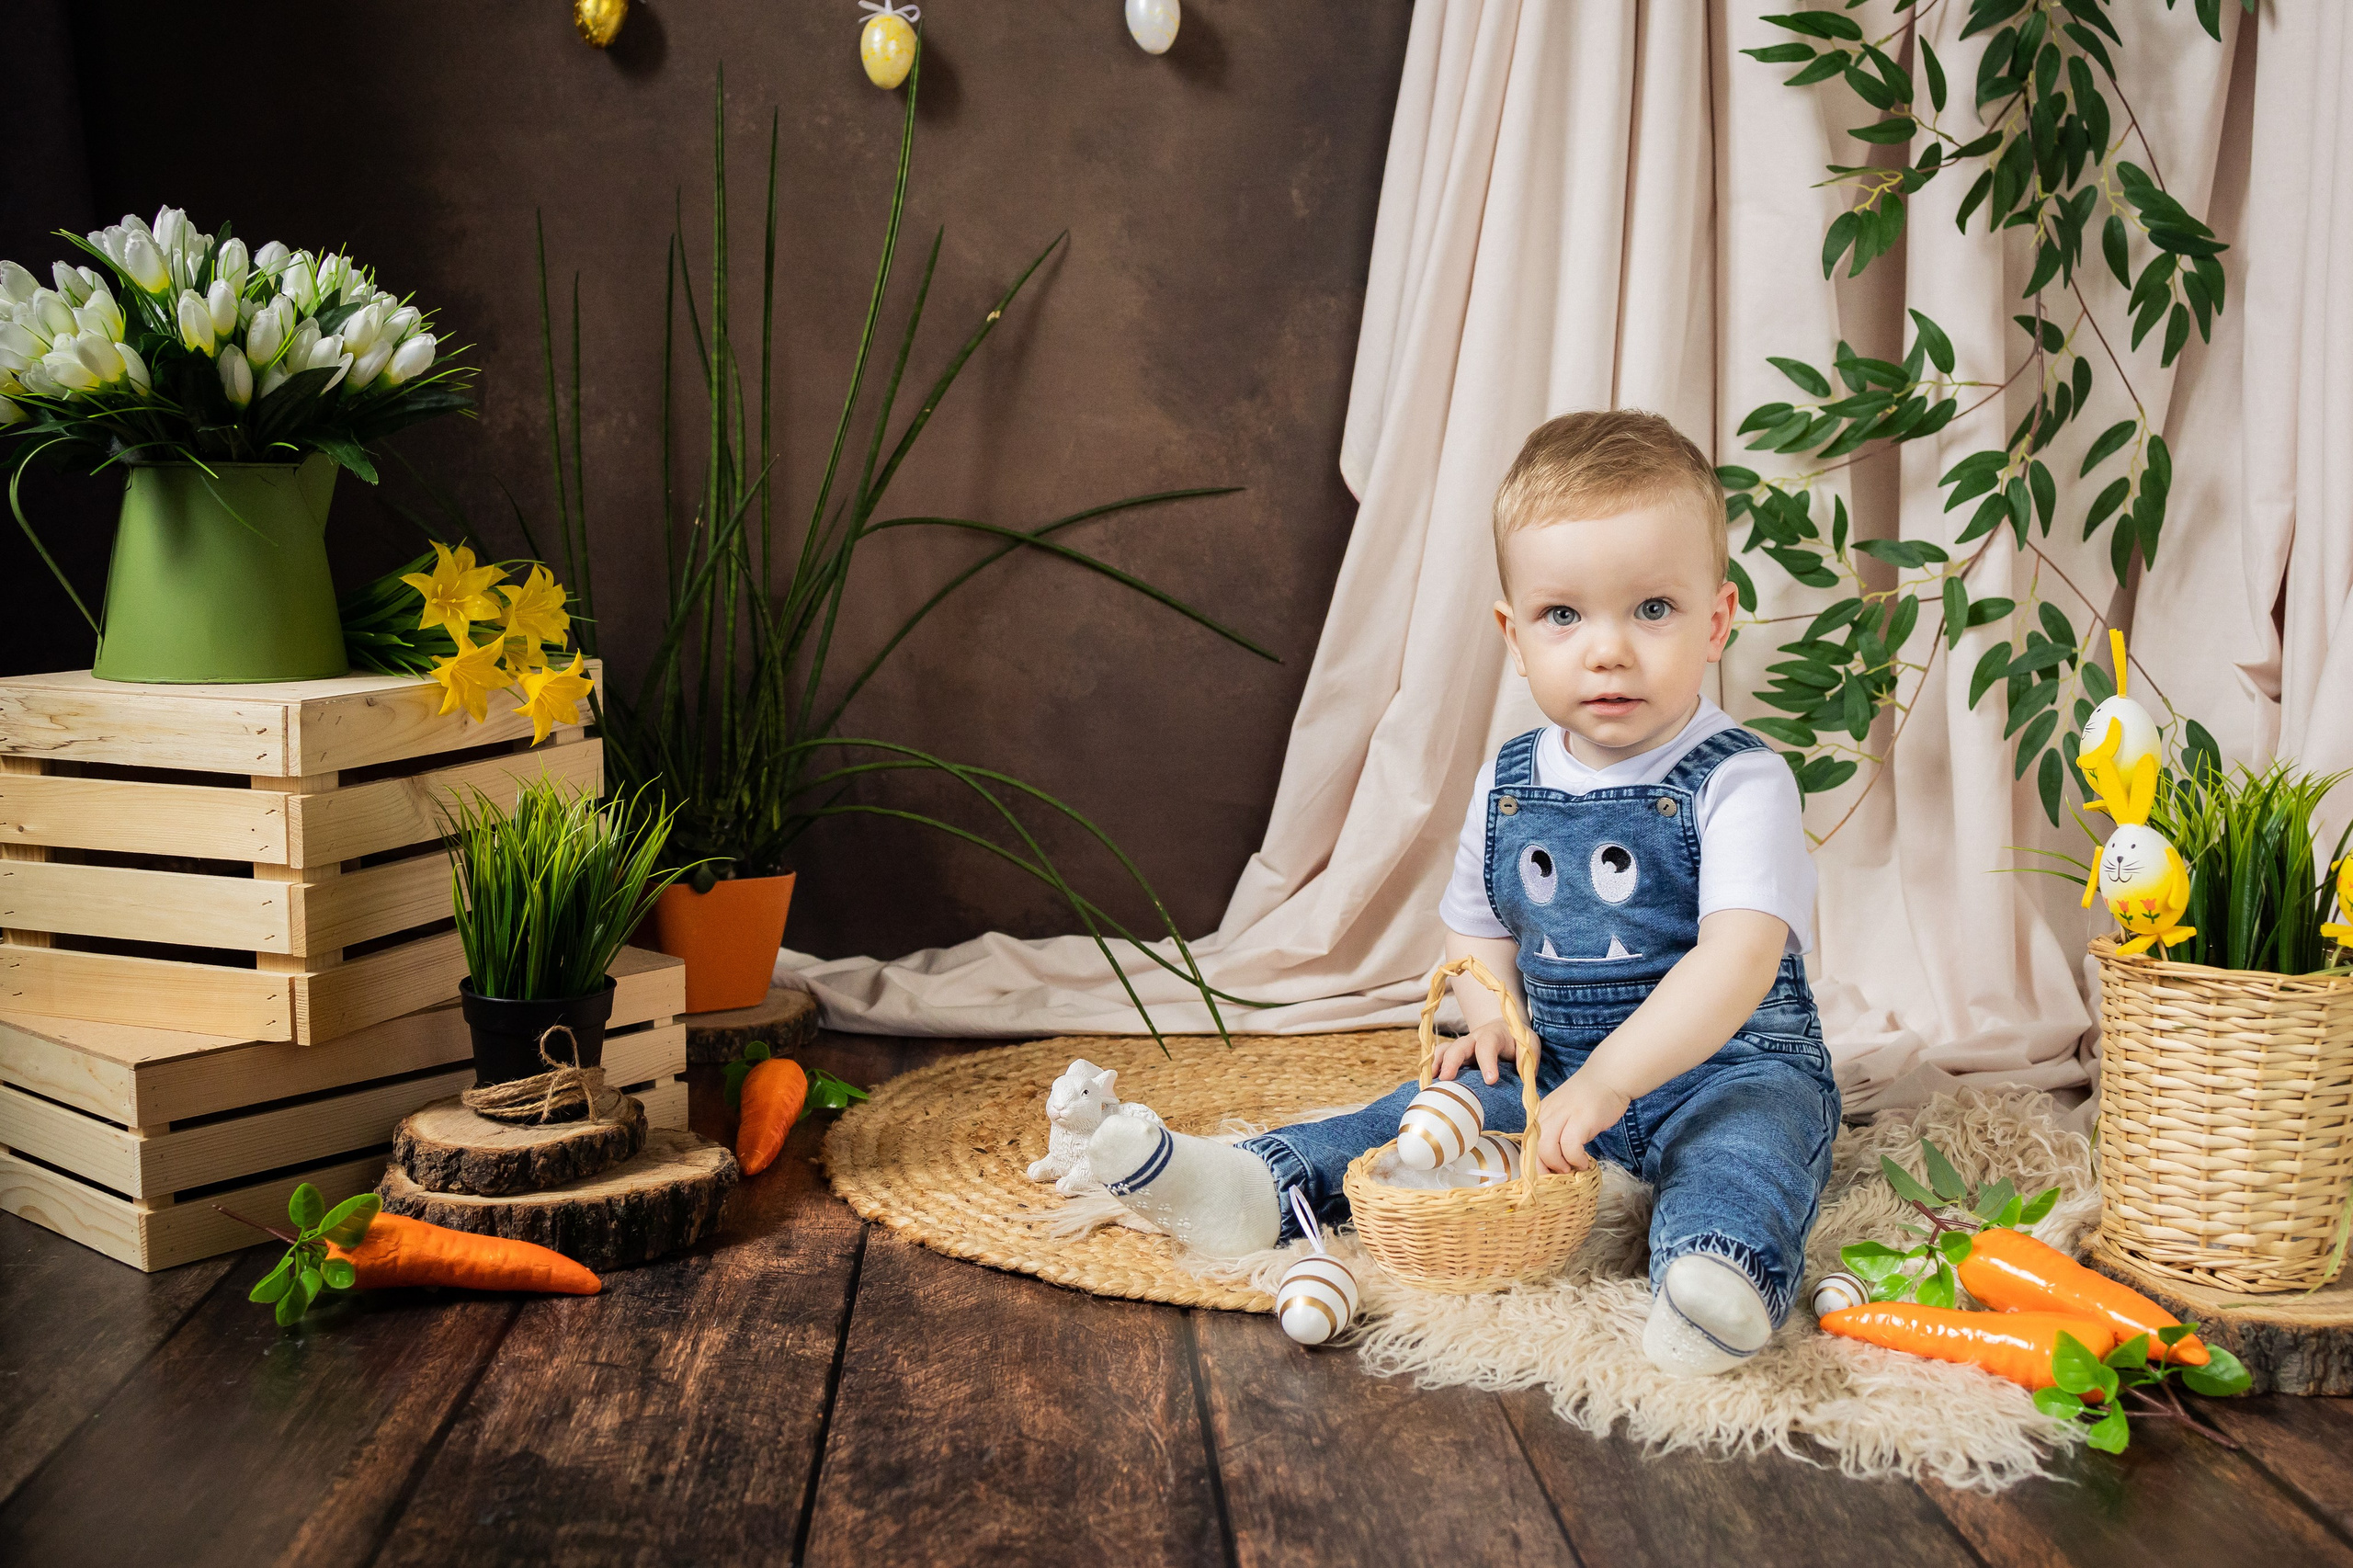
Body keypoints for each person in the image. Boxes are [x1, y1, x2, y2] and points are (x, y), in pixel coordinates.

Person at [1091, 409, 1836, 1376]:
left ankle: (1715, 1271)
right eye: (1563, 615)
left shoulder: (1740, 779)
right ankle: (1260, 1187)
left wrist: (1615, 1080)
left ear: (1715, 622)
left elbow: (1737, 959)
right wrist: (1485, 1004)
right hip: (1555, 1060)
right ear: (1514, 634)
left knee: (1749, 1149)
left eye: (1651, 608)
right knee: (1421, 1112)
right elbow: (1476, 922)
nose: (1606, 648)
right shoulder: (1511, 777)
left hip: (1732, 1060)